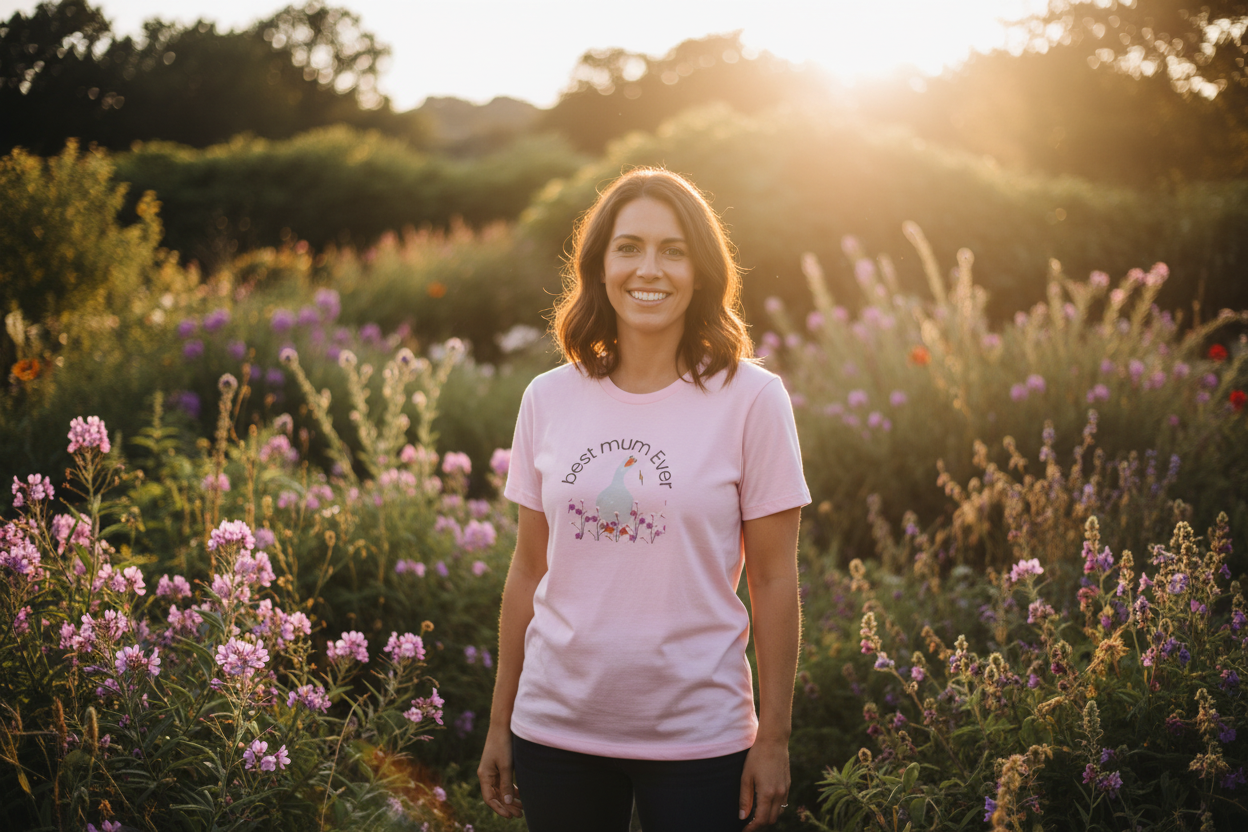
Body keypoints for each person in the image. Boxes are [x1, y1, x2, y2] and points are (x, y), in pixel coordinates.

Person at [477, 168, 810, 831]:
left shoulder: (752, 400)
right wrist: (499, 722)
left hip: (699, 735)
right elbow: (527, 567)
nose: (648, 268)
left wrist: (772, 739)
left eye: (673, 249)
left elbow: (774, 579)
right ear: (600, 265)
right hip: (555, 730)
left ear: (702, 270)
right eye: (629, 247)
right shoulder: (548, 397)